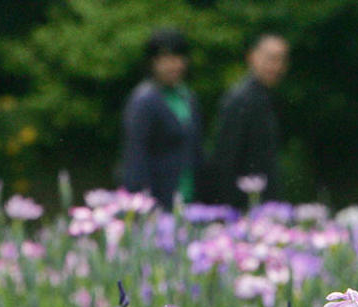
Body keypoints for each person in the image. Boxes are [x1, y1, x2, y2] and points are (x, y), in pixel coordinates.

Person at [120, 28, 207, 208]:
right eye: (166, 59)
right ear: (153, 62)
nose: (173, 65)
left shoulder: (187, 96)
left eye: (178, 58)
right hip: (158, 200)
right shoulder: (144, 100)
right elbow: (136, 158)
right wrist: (143, 205)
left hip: (189, 195)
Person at [210, 34, 290, 206]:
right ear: (252, 57)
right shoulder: (240, 100)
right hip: (242, 205)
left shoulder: (265, 97)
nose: (277, 67)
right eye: (271, 59)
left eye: (282, 60)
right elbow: (225, 160)